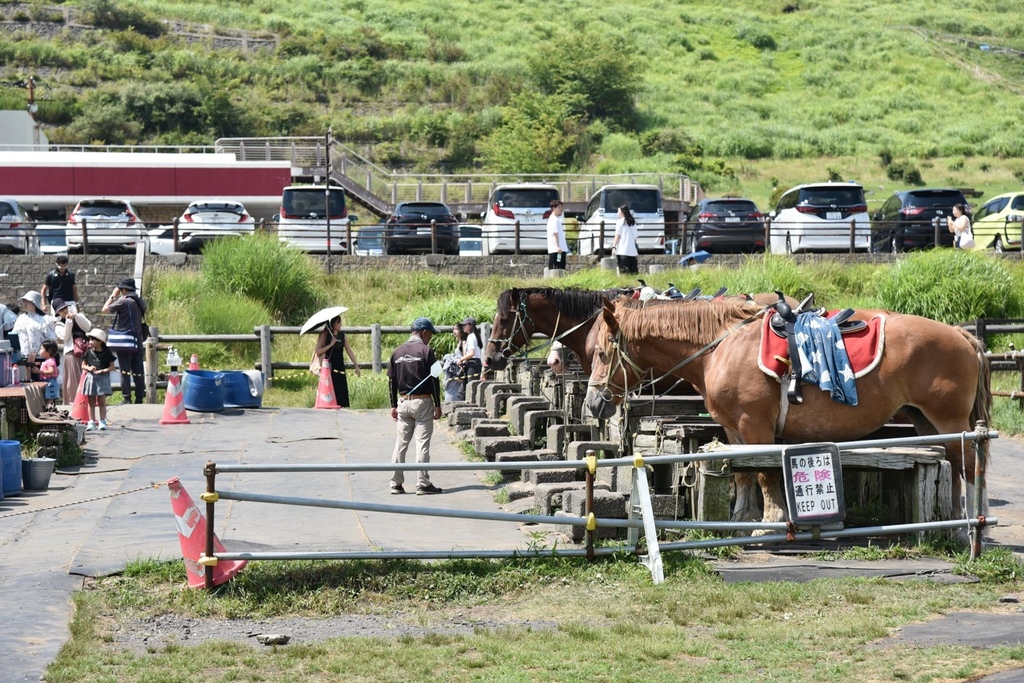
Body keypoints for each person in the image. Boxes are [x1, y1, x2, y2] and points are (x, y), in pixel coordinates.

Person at [387, 316, 443, 496]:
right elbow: (434, 379)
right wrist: (438, 404)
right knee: (422, 444)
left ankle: (396, 483)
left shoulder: (397, 352)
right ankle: (423, 483)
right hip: (422, 402)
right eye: (430, 334)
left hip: (403, 402)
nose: (431, 338)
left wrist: (393, 405)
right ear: (424, 332)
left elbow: (391, 381)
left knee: (400, 444)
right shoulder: (426, 351)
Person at [102, 277, 147, 404]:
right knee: (138, 370)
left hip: (125, 341)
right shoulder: (140, 301)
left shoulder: (123, 301)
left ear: (124, 290)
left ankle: (127, 398)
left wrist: (113, 296)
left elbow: (104, 309)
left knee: (125, 370)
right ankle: (139, 398)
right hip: (138, 339)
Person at [313, 315, 361, 408]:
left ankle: (343, 407)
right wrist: (331, 344)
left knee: (341, 390)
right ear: (333, 324)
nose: (340, 324)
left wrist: (356, 364)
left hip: (339, 366)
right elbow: (317, 351)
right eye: (338, 322)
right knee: (330, 388)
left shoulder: (342, 335)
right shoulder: (325, 334)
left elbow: (349, 351)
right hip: (328, 367)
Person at [52, 297, 92, 404]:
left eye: (65, 308)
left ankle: (89, 401)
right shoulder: (58, 324)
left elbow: (87, 327)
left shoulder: (78, 315)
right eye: (61, 310)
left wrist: (76, 316)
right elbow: (65, 337)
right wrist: (68, 322)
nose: (64, 311)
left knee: (88, 376)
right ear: (58, 313)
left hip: (86, 350)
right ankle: (74, 401)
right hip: (72, 352)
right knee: (74, 379)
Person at [13, 290, 56, 376]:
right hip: (23, 356)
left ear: (35, 303)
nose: (25, 304)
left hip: (40, 358)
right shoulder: (21, 318)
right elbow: (14, 335)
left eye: (28, 301)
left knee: (40, 381)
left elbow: (51, 339)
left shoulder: (45, 319)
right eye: (24, 301)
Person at [81, 328, 115, 431]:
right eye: (90, 340)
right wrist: (89, 368)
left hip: (102, 377)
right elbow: (83, 365)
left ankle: (102, 421)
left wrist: (103, 370)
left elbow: (112, 367)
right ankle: (91, 421)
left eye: (93, 340)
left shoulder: (107, 353)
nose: (90, 342)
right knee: (91, 402)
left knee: (101, 401)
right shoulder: (88, 353)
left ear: (100, 341)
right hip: (91, 378)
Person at [457, 317, 482, 400]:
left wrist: (461, 359)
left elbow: (471, 353)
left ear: (470, 325)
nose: (463, 327)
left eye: (465, 325)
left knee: (470, 390)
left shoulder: (471, 337)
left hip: (473, 365)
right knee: (464, 391)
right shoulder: (473, 336)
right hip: (474, 364)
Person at [611, 204, 639, 275]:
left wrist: (614, 247)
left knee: (624, 273)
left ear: (622, 212)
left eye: (618, 211)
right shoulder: (632, 222)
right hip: (633, 252)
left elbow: (617, 236)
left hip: (622, 251)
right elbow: (635, 237)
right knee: (633, 273)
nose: (617, 213)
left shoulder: (620, 222)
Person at [442, 323, 465, 405]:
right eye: (453, 329)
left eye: (456, 329)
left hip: (459, 372)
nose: (454, 331)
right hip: (455, 371)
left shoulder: (464, 342)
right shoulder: (459, 342)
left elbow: (464, 358)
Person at [546, 199, 568, 270]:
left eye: (561, 207)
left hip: (559, 249)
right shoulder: (554, 220)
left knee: (559, 269)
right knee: (556, 269)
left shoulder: (555, 219)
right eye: (559, 207)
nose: (561, 209)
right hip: (557, 250)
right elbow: (554, 234)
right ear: (553, 208)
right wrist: (557, 246)